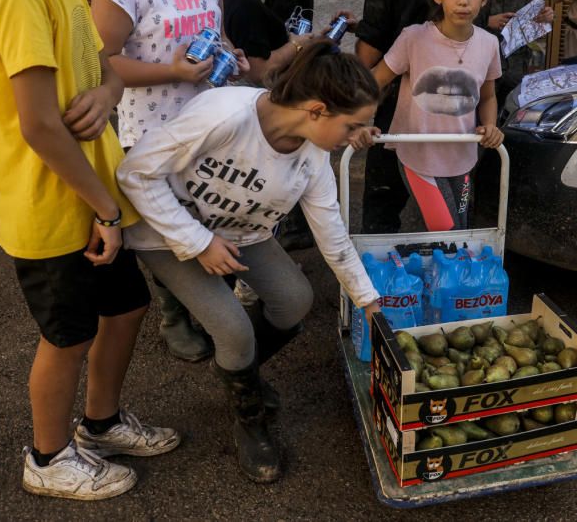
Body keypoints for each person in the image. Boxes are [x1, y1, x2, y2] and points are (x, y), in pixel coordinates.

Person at [0, 0, 178, 500]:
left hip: (89, 197)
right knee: (67, 335)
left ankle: (102, 422)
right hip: (51, 202)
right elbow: (36, 124)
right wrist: (106, 211)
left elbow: (102, 68)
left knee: (128, 307)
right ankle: (47, 455)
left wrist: (110, 91)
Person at [117, 40, 382, 483]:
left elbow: (331, 232)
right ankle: (250, 421)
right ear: (316, 110)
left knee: (295, 301)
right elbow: (134, 173)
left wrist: (367, 300)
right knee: (233, 329)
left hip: (241, 233)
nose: (357, 137)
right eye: (353, 125)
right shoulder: (223, 113)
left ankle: (239, 373)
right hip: (168, 231)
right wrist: (198, 242)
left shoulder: (314, 157)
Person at [91, 0, 247, 362]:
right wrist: (173, 73)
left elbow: (215, 33)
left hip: (208, 121)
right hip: (153, 129)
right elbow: (101, 63)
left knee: (203, 215)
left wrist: (231, 52)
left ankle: (204, 304)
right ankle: (173, 314)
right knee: (163, 227)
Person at [358, 0, 485, 234]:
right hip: (459, 121)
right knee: (453, 223)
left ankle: (385, 290)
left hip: (397, 123)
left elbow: (367, 61)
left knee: (381, 217)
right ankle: (450, 286)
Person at [352, 0, 503, 231]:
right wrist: (355, 124)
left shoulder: (489, 44)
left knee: (462, 228)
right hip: (419, 157)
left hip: (464, 160)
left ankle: (444, 274)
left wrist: (490, 125)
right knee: (447, 229)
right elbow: (375, 81)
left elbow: (489, 95)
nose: (463, 0)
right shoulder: (414, 38)